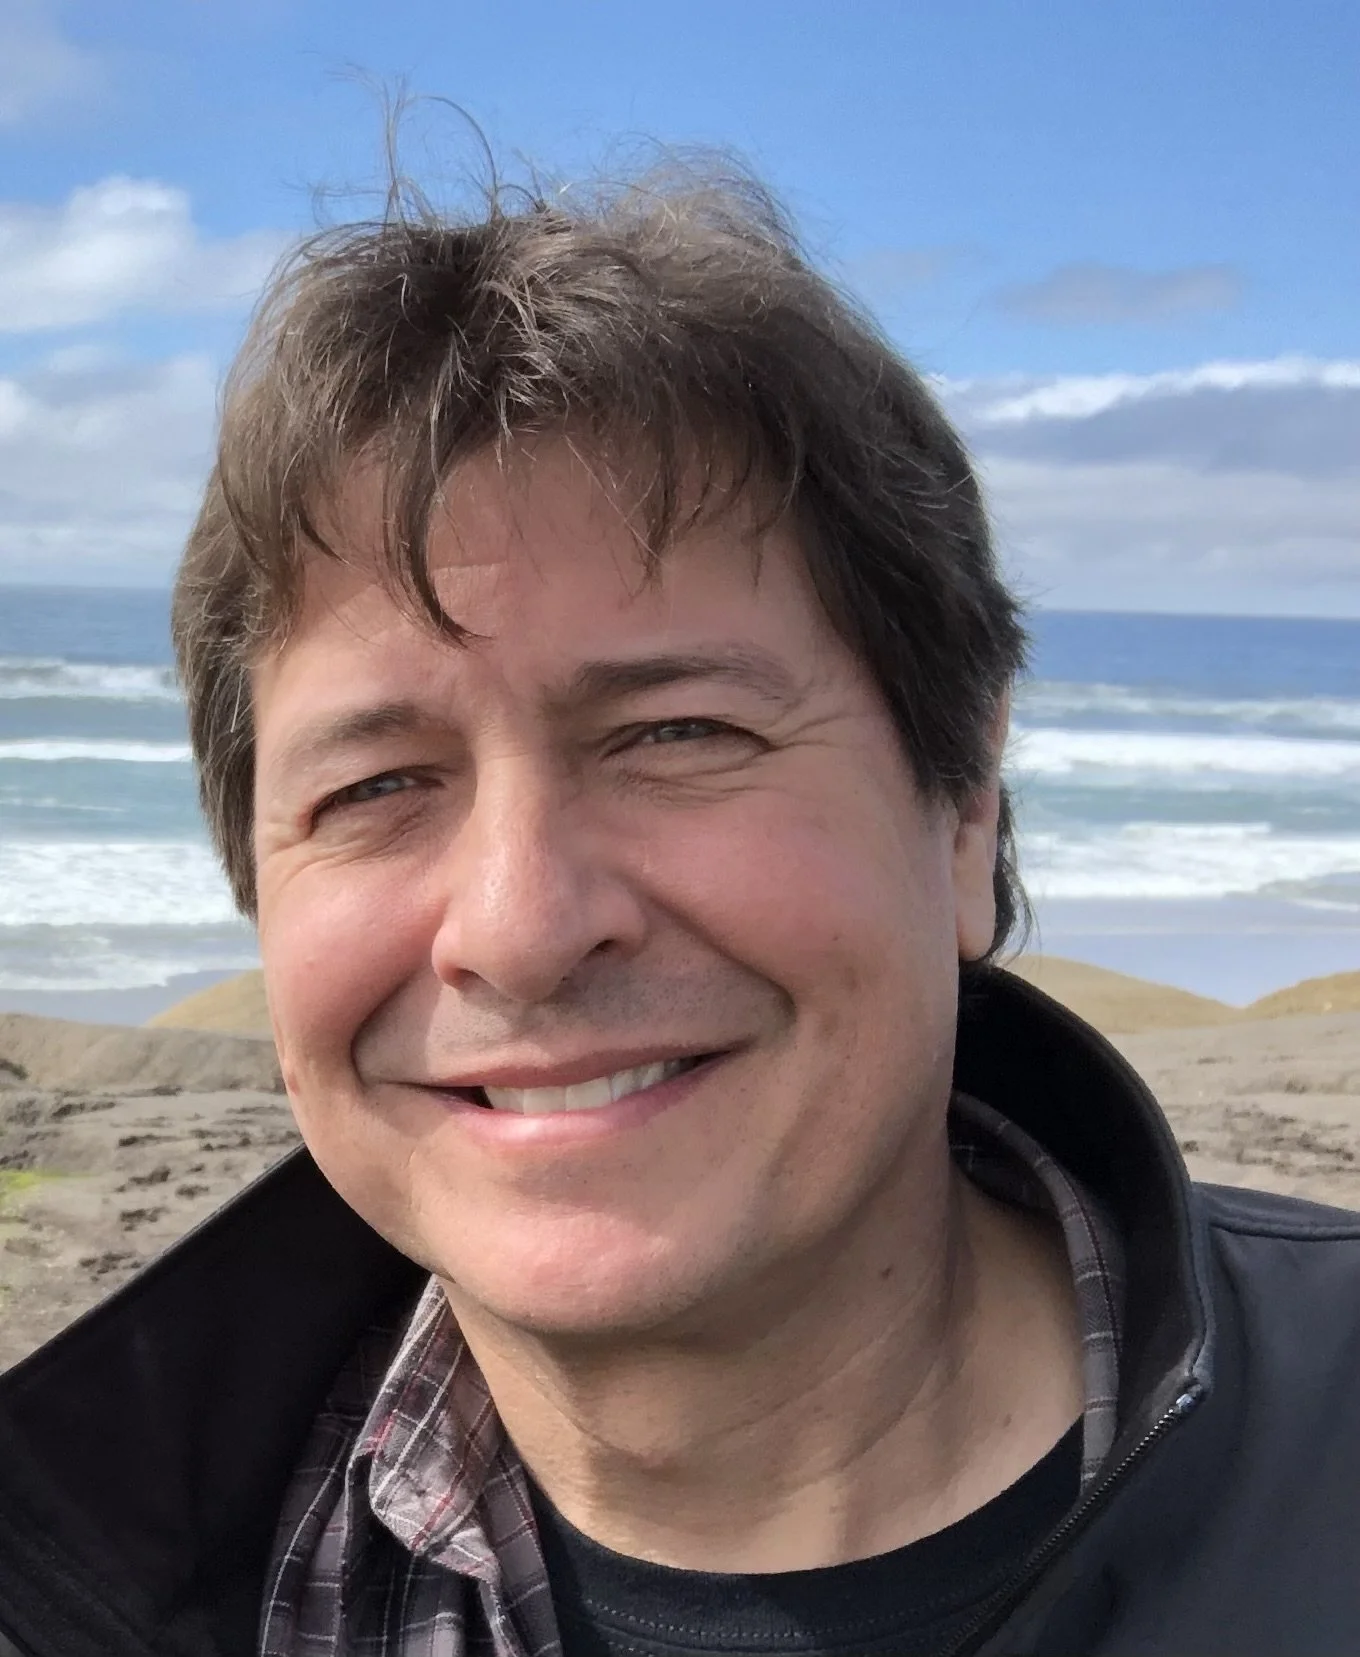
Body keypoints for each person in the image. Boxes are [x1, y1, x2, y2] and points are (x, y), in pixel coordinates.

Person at [0, 155, 1358, 1657]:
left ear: (964, 809)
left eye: (678, 734)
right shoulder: (93, 1582)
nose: (520, 926)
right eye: (378, 786)